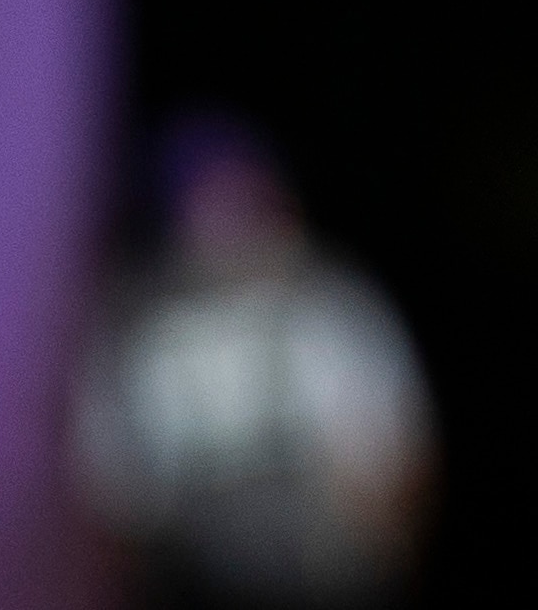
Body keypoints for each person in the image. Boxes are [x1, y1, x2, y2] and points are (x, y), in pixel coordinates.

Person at [73, 120, 433, 608]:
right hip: (199, 583)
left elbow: (400, 458)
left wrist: (378, 550)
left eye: (250, 200)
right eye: (214, 206)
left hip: (332, 578)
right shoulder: (138, 333)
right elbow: (119, 502)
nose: (235, 226)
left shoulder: (330, 304)